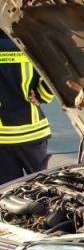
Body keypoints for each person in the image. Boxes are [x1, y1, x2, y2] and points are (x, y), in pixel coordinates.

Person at [0, 28, 55, 185]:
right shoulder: (30, 45)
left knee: (7, 195)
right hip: (33, 134)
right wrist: (40, 96)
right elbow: (53, 78)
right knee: (43, 190)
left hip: (2, 139)